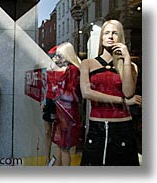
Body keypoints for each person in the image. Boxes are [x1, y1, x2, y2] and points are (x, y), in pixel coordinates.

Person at [80, 20, 142, 166]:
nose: (110, 36)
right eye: (106, 33)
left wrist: (126, 59)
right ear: (101, 37)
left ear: (120, 37)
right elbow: (86, 93)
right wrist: (123, 102)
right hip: (97, 127)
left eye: (115, 33)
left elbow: (128, 92)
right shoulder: (87, 63)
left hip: (123, 127)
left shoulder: (130, 66)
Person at [50, 42, 82, 166]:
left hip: (67, 113)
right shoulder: (70, 69)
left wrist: (56, 90)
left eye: (60, 54)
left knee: (64, 147)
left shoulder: (73, 70)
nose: (57, 57)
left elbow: (71, 93)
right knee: (60, 146)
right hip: (63, 112)